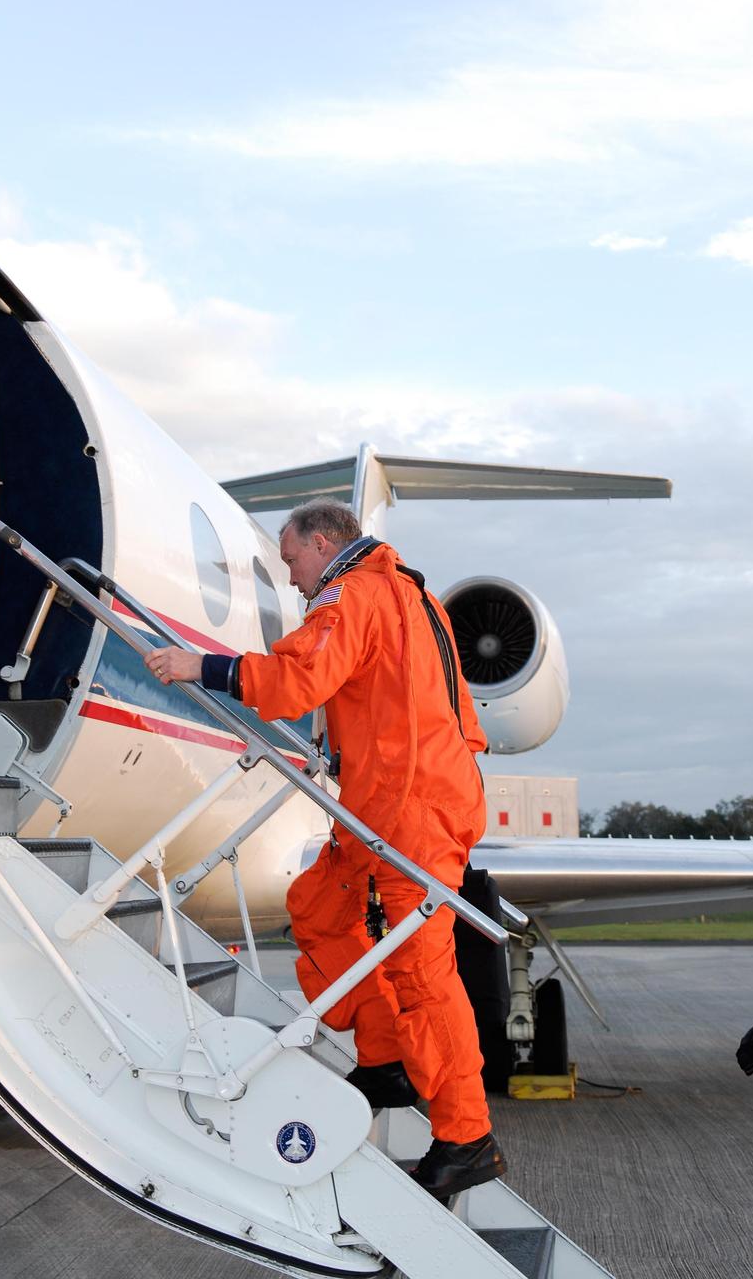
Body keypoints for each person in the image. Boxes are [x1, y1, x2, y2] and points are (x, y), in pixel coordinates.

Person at [144, 498, 505, 1197]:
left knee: (424, 973)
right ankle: (386, 1059)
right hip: (390, 802)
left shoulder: (354, 595)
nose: (293, 581)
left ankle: (467, 1136)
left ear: (321, 543)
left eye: (291, 562)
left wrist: (199, 666)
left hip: (413, 809)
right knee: (316, 905)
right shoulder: (409, 593)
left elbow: (295, 681)